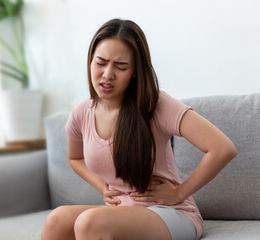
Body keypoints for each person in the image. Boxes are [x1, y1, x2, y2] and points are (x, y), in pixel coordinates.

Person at [41, 18, 237, 240]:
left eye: (121, 66)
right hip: (122, 210)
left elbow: (222, 148)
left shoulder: (156, 104)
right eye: (101, 62)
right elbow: (75, 158)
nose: (107, 74)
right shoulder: (81, 112)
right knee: (56, 220)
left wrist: (179, 193)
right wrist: (103, 187)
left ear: (135, 71)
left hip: (169, 213)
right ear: (90, 61)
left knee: (89, 222)